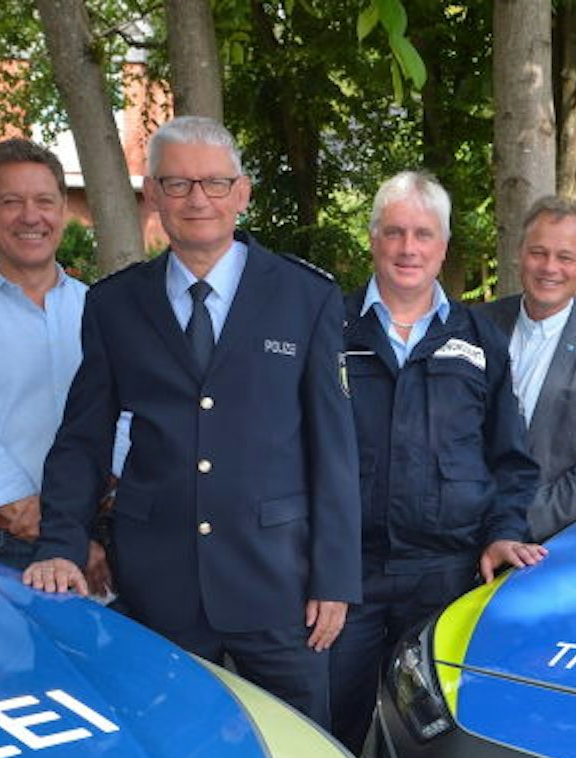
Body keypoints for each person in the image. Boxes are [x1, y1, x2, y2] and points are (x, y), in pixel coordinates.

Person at [23, 116, 359, 727]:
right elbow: (83, 438)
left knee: (300, 746)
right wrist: (61, 546)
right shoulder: (115, 304)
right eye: (177, 184)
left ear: (242, 192)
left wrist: (334, 577)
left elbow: (334, 448)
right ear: (153, 194)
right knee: (170, 744)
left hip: (279, 583)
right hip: (160, 583)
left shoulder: (305, 297)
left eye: (214, 183)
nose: (197, 199)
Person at [326, 170, 545, 751]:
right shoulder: (328, 330)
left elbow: (511, 458)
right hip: (348, 577)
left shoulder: (479, 338)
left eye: (423, 234)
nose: (408, 248)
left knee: (433, 738)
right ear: (373, 239)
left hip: (447, 576)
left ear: (443, 247)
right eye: (394, 232)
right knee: (332, 727)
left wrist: (504, 532)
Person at [0, 138, 122, 589]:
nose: (30, 217)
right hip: (3, 540)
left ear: (63, 211)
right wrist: (64, 535)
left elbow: (124, 415)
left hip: (103, 530)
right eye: (11, 202)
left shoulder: (99, 307)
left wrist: (86, 528)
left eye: (44, 201)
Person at [478, 195, 576, 541]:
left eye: (565, 257)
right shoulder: (474, 326)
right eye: (538, 252)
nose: (549, 267)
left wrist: (515, 526)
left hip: (534, 546)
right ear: (520, 254)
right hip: (448, 534)